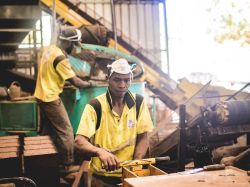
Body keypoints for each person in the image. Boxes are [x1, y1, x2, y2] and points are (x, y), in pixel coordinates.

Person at [75, 58, 153, 187]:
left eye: (126, 80)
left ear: (131, 80)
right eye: (117, 79)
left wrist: (136, 162)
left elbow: (143, 137)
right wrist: (100, 152)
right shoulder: (95, 106)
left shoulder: (138, 103)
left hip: (129, 175)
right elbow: (79, 141)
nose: (122, 85)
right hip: (101, 178)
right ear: (108, 79)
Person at [34, 27, 92, 178]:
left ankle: (46, 161)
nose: (75, 48)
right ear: (68, 43)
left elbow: (51, 72)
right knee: (66, 132)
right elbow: (76, 82)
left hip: (41, 95)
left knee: (47, 132)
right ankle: (67, 166)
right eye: (75, 45)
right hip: (50, 98)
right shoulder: (61, 59)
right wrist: (89, 84)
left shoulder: (50, 50)